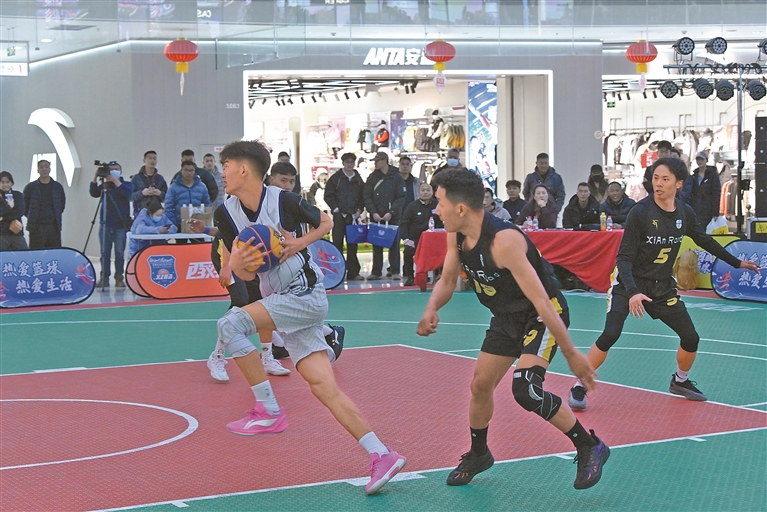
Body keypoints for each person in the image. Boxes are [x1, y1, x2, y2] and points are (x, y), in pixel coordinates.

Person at [213, 140, 406, 495]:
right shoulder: (226, 214)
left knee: (229, 324)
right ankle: (382, 453)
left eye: (225, 165)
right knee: (324, 387)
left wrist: (300, 243)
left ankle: (268, 409)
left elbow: (326, 222)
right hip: (282, 301)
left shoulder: (283, 200)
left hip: (304, 291)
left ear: (244, 168)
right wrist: (235, 266)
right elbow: (243, 272)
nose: (221, 171)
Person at [417, 169, 609, 490]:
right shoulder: (457, 234)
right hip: (506, 317)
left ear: (460, 208)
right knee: (480, 386)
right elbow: (448, 279)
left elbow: (542, 301)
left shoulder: (504, 241)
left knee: (526, 390)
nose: (436, 210)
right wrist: (432, 307)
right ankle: (479, 453)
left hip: (540, 315)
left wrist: (571, 353)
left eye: (440, 203)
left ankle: (590, 446)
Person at [568, 158, 760, 411]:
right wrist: (633, 292)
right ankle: (579, 386)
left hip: (661, 286)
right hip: (628, 283)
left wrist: (737, 262)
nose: (658, 183)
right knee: (611, 333)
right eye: (656, 178)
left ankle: (680, 381)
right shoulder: (640, 212)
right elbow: (624, 257)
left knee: (690, 337)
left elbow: (704, 240)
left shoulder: (684, 212)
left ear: (679, 184)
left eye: (665, 179)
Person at [363, 152, 407, 280]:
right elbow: (367, 195)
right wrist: (373, 212)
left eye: (378, 160)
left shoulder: (396, 176)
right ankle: (376, 271)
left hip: (393, 217)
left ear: (385, 161)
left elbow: (401, 196)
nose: (375, 163)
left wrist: (392, 212)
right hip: (376, 216)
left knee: (394, 244)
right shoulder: (372, 177)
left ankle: (395, 270)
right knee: (376, 243)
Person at [89, 162, 133, 288]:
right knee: (104, 253)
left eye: (116, 169)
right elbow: (94, 193)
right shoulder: (105, 186)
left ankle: (119, 277)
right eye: (111, 169)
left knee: (119, 253)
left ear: (121, 171)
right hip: (105, 224)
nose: (113, 171)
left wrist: (114, 180)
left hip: (120, 225)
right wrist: (95, 177)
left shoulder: (126, 184)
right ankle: (104, 278)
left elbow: (127, 193)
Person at [324, 153, 365, 281]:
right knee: (337, 244)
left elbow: (363, 196)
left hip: (353, 216)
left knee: (353, 245)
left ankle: (353, 272)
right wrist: (335, 208)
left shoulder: (358, 179)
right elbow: (328, 195)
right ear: (343, 163)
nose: (349, 164)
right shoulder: (336, 178)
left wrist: (359, 209)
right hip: (339, 216)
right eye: (347, 162)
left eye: (351, 162)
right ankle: (338, 272)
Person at [400, 182, 442, 287]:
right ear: (418, 192)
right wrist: (406, 239)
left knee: (443, 251)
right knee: (408, 250)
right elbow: (404, 224)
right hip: (416, 240)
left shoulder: (438, 205)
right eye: (423, 190)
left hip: (434, 241)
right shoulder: (412, 206)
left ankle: (439, 276)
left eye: (428, 190)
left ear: (433, 192)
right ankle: (410, 276)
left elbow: (444, 222)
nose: (425, 192)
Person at [23, 160, 66, 249]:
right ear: (37, 170)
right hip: (36, 226)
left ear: (50, 169)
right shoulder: (30, 187)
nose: (44, 169)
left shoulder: (57, 187)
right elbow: (24, 206)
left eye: (46, 167)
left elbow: (61, 204)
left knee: (54, 252)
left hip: (53, 226)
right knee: (36, 253)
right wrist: (32, 216)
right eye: (41, 167)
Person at [165, 160, 211, 230]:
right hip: (179, 224)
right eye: (186, 170)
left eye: (191, 170)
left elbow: (207, 205)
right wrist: (173, 223)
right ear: (181, 171)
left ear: (195, 171)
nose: (189, 173)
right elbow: (168, 207)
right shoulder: (173, 187)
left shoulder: (202, 187)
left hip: (198, 225)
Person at [684, 152, 722, 231]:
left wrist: (715, 213)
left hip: (708, 209)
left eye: (702, 159)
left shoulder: (713, 175)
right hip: (695, 208)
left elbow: (716, 194)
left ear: (706, 160)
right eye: (698, 159)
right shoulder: (693, 176)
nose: (699, 161)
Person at [131, 150, 167, 216]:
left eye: (154, 159)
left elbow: (167, 198)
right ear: (144, 160)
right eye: (150, 158)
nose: (152, 161)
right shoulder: (136, 178)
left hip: (157, 212)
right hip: (140, 212)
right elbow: (130, 196)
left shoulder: (160, 178)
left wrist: (160, 193)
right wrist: (142, 193)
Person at [0, 171, 28, 251]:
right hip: (2, 233)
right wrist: (9, 207)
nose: (5, 184)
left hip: (17, 232)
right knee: (3, 256)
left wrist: (3, 218)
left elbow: (20, 211)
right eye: (2, 182)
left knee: (24, 254)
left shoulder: (17, 195)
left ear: (12, 183)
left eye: (8, 182)